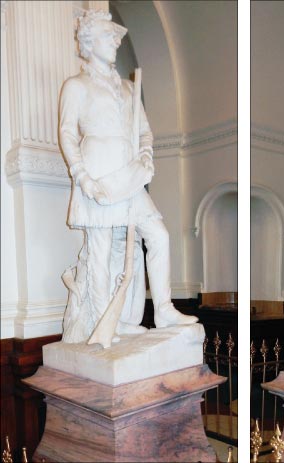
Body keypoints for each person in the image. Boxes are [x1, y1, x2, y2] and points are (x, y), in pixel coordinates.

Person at [59, 10, 197, 343]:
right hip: (99, 173)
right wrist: (82, 176)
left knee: (159, 235)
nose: (116, 44)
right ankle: (105, 323)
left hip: (130, 178)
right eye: (109, 37)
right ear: (90, 43)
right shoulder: (76, 86)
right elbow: (66, 132)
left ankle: (163, 307)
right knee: (101, 252)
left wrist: (146, 156)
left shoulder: (127, 88)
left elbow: (145, 132)